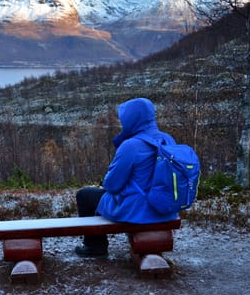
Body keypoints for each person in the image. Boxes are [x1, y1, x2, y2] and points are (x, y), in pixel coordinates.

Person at [74, 97, 179, 258]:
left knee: (84, 195)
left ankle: (95, 246)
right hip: (166, 209)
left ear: (132, 119)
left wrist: (106, 181)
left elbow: (113, 185)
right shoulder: (168, 139)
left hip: (139, 211)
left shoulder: (131, 145)